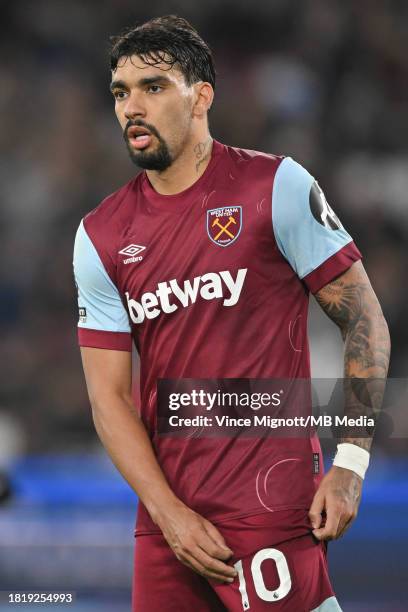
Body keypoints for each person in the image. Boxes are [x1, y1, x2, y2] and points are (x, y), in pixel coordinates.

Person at [73, 15, 390, 611]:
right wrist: (171, 517)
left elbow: (365, 319)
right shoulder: (100, 236)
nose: (131, 107)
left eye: (154, 86)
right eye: (121, 92)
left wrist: (350, 463)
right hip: (170, 526)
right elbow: (108, 399)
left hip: (270, 503)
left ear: (202, 96)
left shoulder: (276, 186)